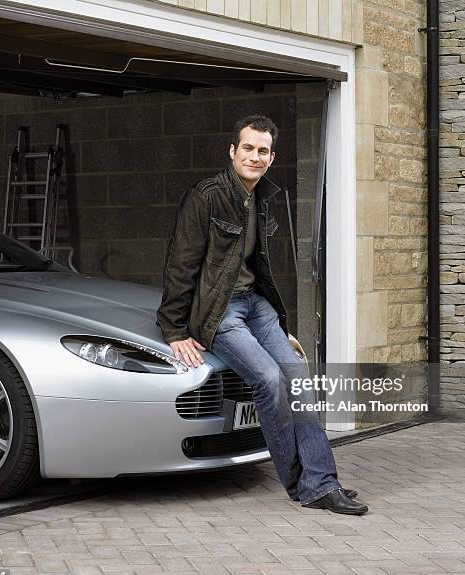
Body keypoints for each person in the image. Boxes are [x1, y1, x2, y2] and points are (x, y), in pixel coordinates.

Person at [157, 114, 368, 515]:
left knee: (299, 379)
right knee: (269, 380)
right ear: (233, 151)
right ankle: (301, 483)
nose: (255, 156)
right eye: (248, 148)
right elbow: (179, 265)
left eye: (264, 151)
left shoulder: (265, 196)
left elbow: (263, 267)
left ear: (272, 157)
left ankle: (321, 482)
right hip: (219, 311)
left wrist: (280, 327)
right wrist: (173, 329)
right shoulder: (205, 196)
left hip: (256, 305)